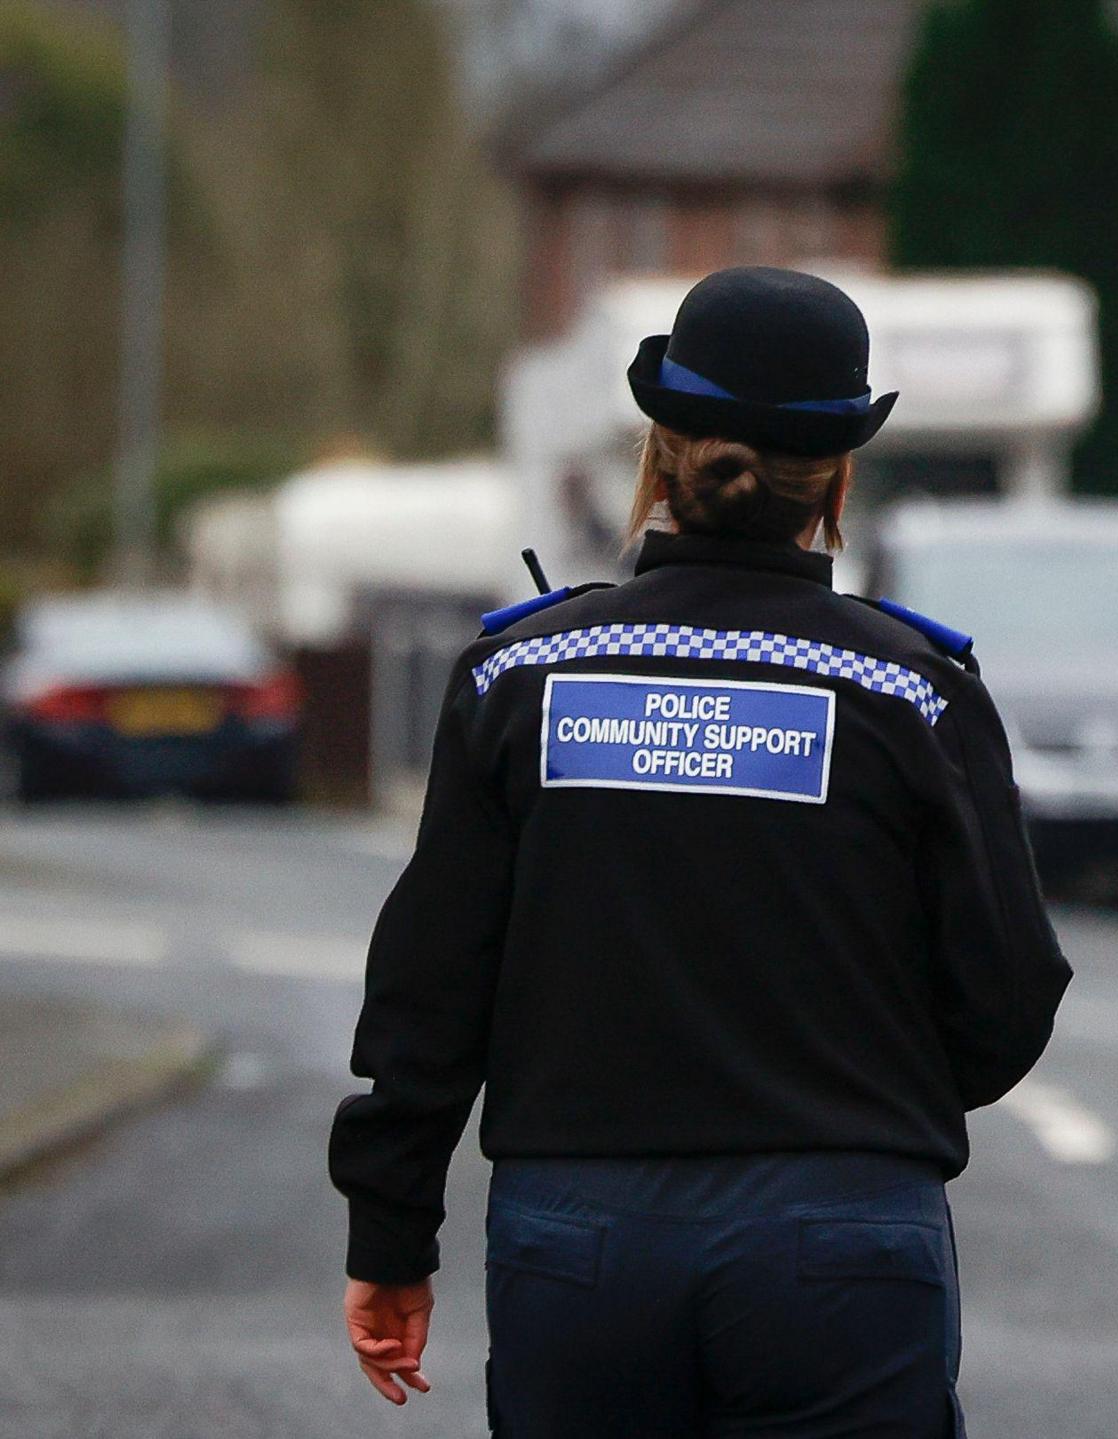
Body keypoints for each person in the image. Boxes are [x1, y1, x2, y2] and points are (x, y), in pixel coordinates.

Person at [327, 265, 1071, 1437]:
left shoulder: (521, 677)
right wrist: (870, 1094)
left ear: (659, 453)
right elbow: (1010, 987)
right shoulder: (911, 693)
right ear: (835, 472)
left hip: (579, 1238)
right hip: (843, 1237)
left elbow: (430, 986)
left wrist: (389, 1229)